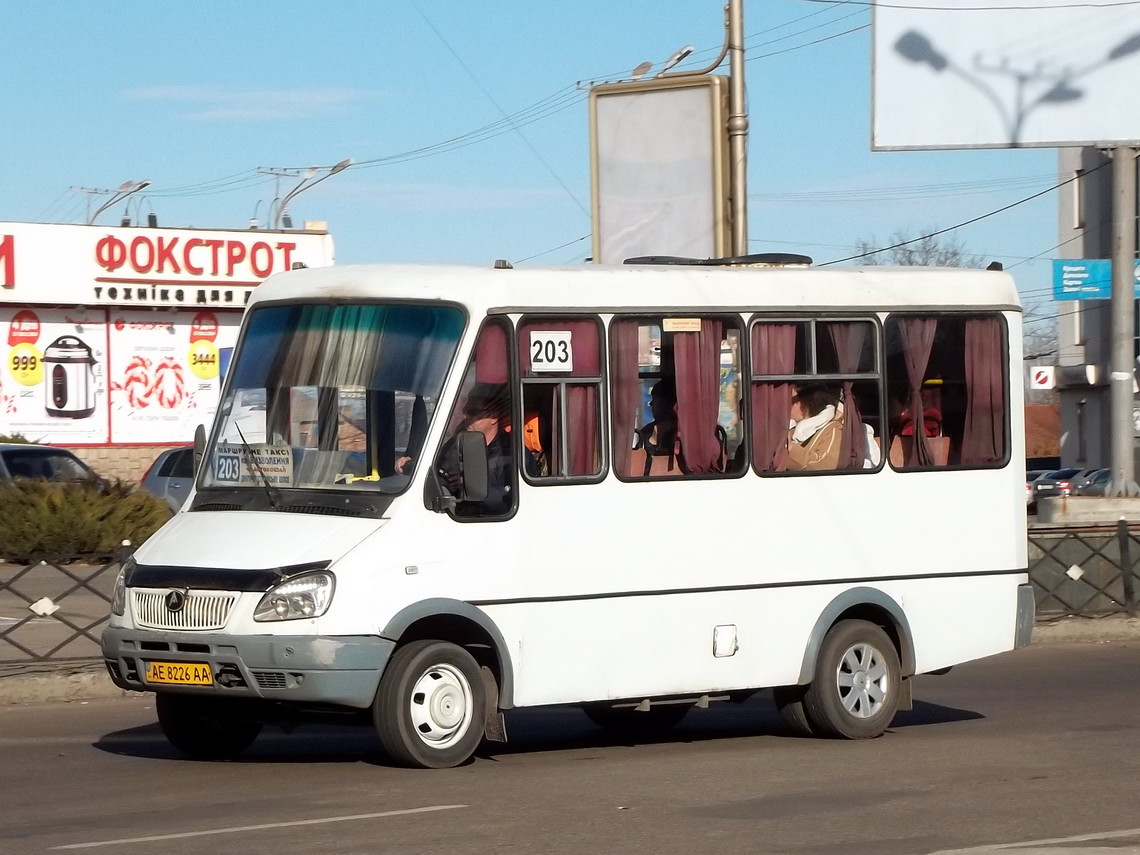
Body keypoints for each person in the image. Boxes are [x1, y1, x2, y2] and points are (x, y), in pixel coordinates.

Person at [436, 383, 514, 515]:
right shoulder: (456, 445)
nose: (466, 416)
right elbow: (438, 473)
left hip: (493, 524)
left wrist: (470, 486)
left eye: (472, 412)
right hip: (457, 519)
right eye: (465, 411)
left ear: (493, 417)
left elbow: (510, 502)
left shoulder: (513, 453)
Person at [632, 378, 684, 476]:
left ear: (667, 403)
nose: (650, 403)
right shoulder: (646, 431)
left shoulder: (684, 433)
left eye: (654, 399)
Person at [786, 382, 844, 471]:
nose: (785, 406)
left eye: (790, 401)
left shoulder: (833, 430)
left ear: (803, 404)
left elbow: (824, 464)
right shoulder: (789, 428)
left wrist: (790, 449)